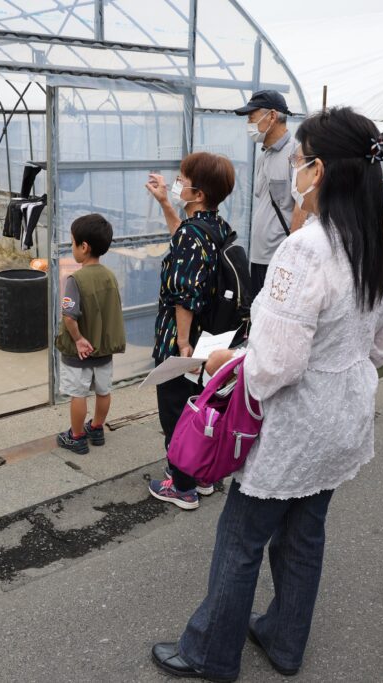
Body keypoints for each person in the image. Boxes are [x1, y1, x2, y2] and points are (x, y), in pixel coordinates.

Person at [150, 107, 383, 681]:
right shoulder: (379, 250)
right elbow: (382, 344)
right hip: (341, 421)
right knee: (304, 535)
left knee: (240, 540)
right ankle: (285, 642)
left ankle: (209, 654)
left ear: (322, 171)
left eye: (299, 160)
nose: (293, 168)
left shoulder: (304, 251)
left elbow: (275, 367)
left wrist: (225, 360)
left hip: (290, 426)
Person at [144, 152, 237, 510]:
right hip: (212, 339)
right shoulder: (216, 227)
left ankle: (181, 487)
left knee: (176, 412)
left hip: (183, 342)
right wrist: (166, 202)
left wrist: (182, 344)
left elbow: (185, 294)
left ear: (198, 193)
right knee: (200, 406)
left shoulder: (192, 234)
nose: (177, 182)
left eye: (182, 179)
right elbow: (183, 246)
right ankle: (201, 476)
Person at [54, 214, 127, 454]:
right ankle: (96, 428)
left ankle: (76, 437)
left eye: (72, 242)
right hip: (104, 351)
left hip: (80, 353)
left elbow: (69, 316)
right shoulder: (109, 276)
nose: (71, 247)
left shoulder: (76, 279)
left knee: (78, 394)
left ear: (83, 247)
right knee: (103, 391)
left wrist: (78, 339)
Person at [235, 90, 306, 301]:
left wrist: (292, 256)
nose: (249, 123)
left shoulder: (296, 155)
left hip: (280, 258)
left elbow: (302, 205)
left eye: (251, 117)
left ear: (272, 116)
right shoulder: (264, 156)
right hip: (259, 255)